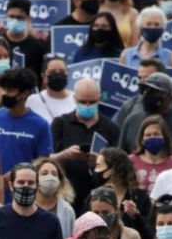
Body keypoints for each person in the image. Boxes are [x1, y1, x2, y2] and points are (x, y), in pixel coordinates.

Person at [50, 78, 120, 211]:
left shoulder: (111, 128)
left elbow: (119, 166)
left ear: (100, 98)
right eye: (83, 102)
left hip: (99, 198)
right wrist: (65, 155)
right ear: (74, 98)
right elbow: (47, 159)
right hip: (66, 195)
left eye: (92, 102)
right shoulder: (60, 123)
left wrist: (100, 164)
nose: (87, 106)